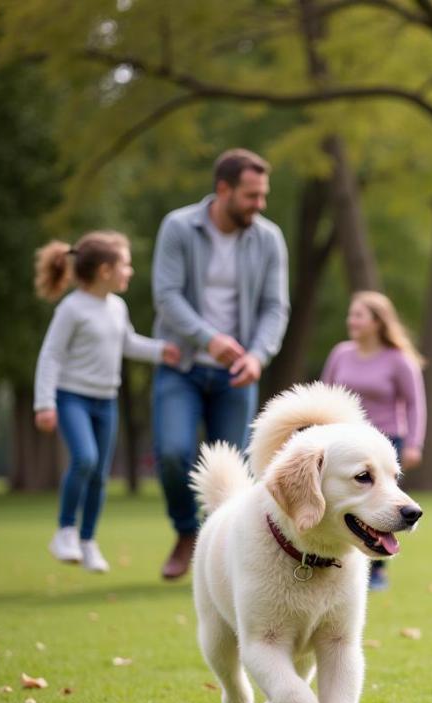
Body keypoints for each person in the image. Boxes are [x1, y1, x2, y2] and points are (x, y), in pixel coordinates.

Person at [151, 148, 289, 579]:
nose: (259, 205)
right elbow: (166, 295)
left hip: (237, 373)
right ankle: (186, 531)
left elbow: (275, 307)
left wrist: (257, 355)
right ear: (223, 189)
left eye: (263, 195)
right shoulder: (178, 227)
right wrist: (208, 339)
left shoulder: (268, 239)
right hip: (183, 364)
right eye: (251, 195)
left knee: (233, 472)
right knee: (173, 453)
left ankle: (227, 558)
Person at [33, 231, 180, 572]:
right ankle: (65, 531)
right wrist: (44, 403)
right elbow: (51, 355)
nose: (130, 272)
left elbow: (127, 343)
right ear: (104, 270)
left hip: (105, 401)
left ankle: (87, 542)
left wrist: (161, 351)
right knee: (84, 458)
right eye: (125, 265)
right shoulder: (71, 309)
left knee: (99, 474)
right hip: (72, 398)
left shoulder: (117, 307)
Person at [321, 290, 426, 590]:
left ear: (378, 322)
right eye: (350, 314)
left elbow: (416, 403)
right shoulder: (341, 353)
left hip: (384, 443)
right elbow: (325, 393)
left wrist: (414, 443)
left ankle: (376, 568)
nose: (350, 321)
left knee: (381, 507)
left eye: (358, 315)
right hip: (342, 443)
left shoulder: (398, 360)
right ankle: (336, 561)